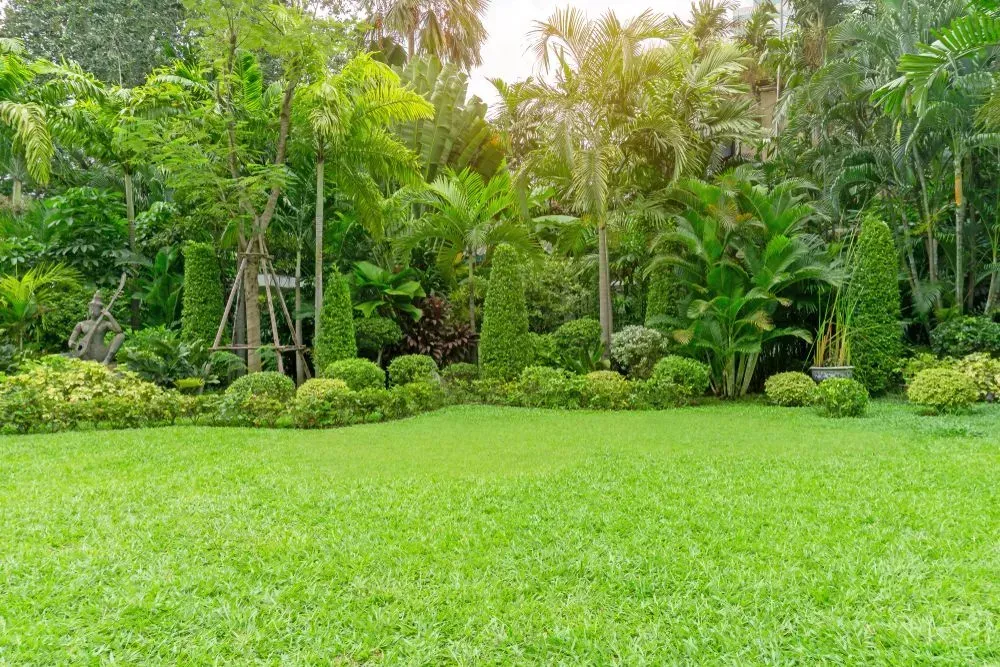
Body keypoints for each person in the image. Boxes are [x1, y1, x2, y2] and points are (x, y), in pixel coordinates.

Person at [68, 292, 125, 365]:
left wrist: (109, 316)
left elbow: (119, 331)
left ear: (101, 310)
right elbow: (71, 341)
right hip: (86, 355)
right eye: (91, 307)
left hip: (101, 354)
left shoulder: (105, 324)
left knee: (121, 336)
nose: (92, 309)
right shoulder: (81, 324)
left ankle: (107, 360)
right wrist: (74, 345)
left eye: (96, 307)